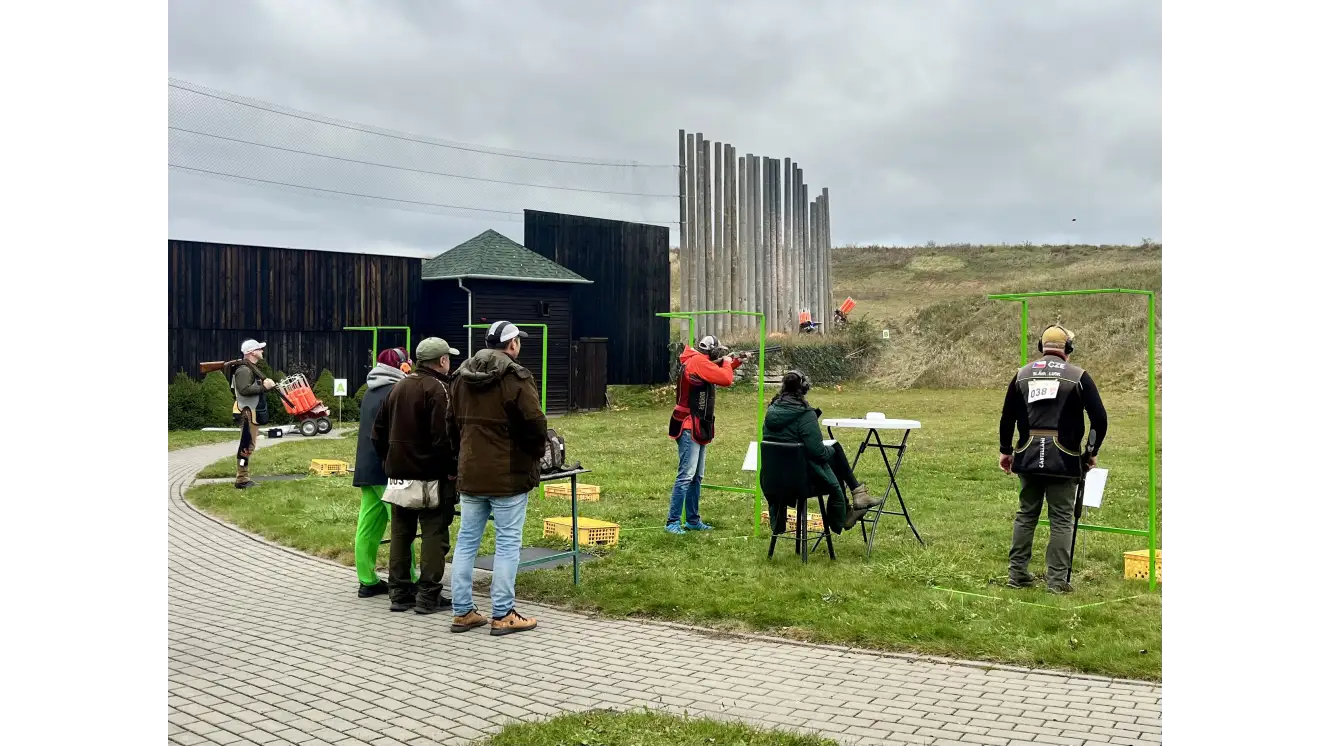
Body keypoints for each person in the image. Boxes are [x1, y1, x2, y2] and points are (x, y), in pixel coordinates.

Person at [447, 320, 547, 636]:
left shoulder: (460, 377)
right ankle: (503, 613)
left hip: (471, 471)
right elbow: (535, 424)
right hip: (509, 474)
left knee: (466, 541)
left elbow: (451, 424)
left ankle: (463, 612)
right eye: (518, 341)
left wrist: (461, 458)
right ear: (512, 344)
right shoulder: (516, 377)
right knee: (507, 543)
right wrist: (535, 455)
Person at [999, 325, 1109, 594]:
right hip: (1065, 458)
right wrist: (1091, 452)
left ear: (1041, 347)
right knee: (1061, 519)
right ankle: (1057, 581)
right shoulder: (1078, 376)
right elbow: (1100, 418)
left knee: (1026, 515)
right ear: (1068, 348)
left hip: (1027, 455)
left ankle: (1017, 574)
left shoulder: (1022, 375)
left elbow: (1007, 416)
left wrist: (1006, 450)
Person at [371, 338, 461, 614]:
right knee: (435, 534)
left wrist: (390, 461)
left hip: (399, 474)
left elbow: (377, 432)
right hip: (432, 474)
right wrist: (452, 469)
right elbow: (445, 437)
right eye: (448, 358)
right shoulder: (439, 389)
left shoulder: (398, 386)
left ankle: (399, 593)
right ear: (442, 361)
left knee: (401, 533)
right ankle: (428, 595)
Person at [762, 370, 883, 531]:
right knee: (834, 452)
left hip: (773, 481)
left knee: (830, 459)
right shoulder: (805, 414)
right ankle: (854, 501)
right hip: (800, 483)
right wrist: (832, 451)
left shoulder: (771, 412)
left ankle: (854, 501)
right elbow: (818, 452)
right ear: (804, 388)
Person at [664, 335, 745, 534]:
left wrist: (735, 361)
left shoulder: (698, 361)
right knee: (686, 476)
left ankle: (692, 520)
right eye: (718, 351)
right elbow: (725, 379)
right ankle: (672, 522)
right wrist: (727, 363)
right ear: (711, 351)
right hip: (689, 424)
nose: (720, 353)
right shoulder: (698, 362)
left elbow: (715, 373)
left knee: (696, 477)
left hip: (697, 423)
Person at [350, 347, 411, 599]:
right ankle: (409, 578)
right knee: (402, 526)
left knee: (368, 526)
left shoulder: (371, 390)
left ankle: (367, 579)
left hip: (367, 467)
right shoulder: (396, 391)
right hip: (388, 469)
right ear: (402, 366)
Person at [230, 339, 276, 489]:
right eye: (259, 349)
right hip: (247, 413)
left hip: (251, 412)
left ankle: (242, 476)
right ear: (251, 352)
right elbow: (244, 390)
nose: (262, 351)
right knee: (246, 446)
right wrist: (264, 387)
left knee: (249, 445)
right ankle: (242, 479)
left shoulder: (249, 368)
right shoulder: (244, 370)